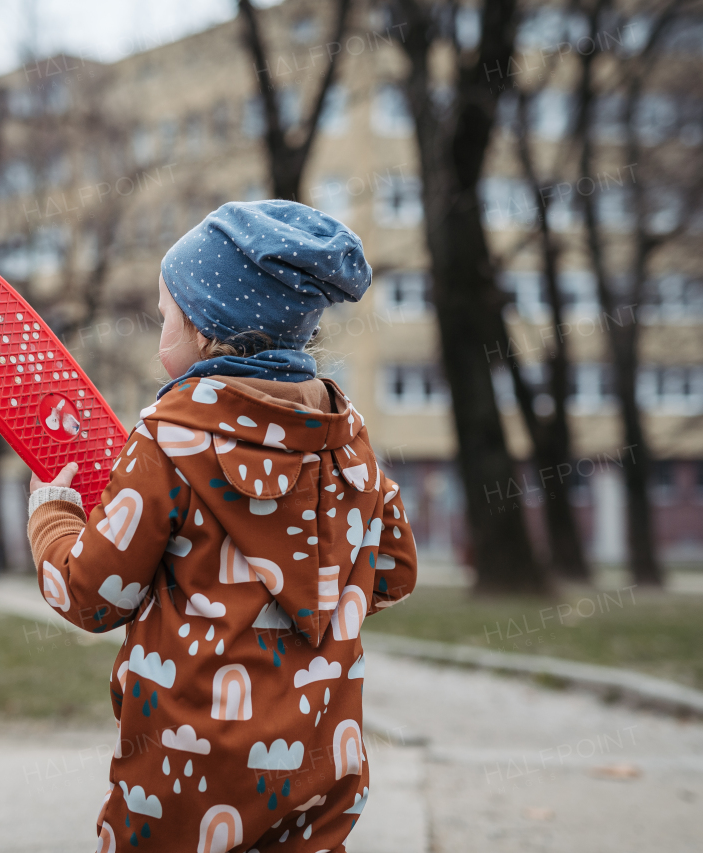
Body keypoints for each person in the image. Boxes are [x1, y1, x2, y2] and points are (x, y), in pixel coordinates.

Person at [26, 200, 417, 852]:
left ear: (206, 328)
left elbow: (91, 596)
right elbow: (395, 572)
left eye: (164, 317)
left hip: (181, 782)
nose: (158, 339)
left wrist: (53, 515)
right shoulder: (346, 436)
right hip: (318, 772)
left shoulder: (168, 435)